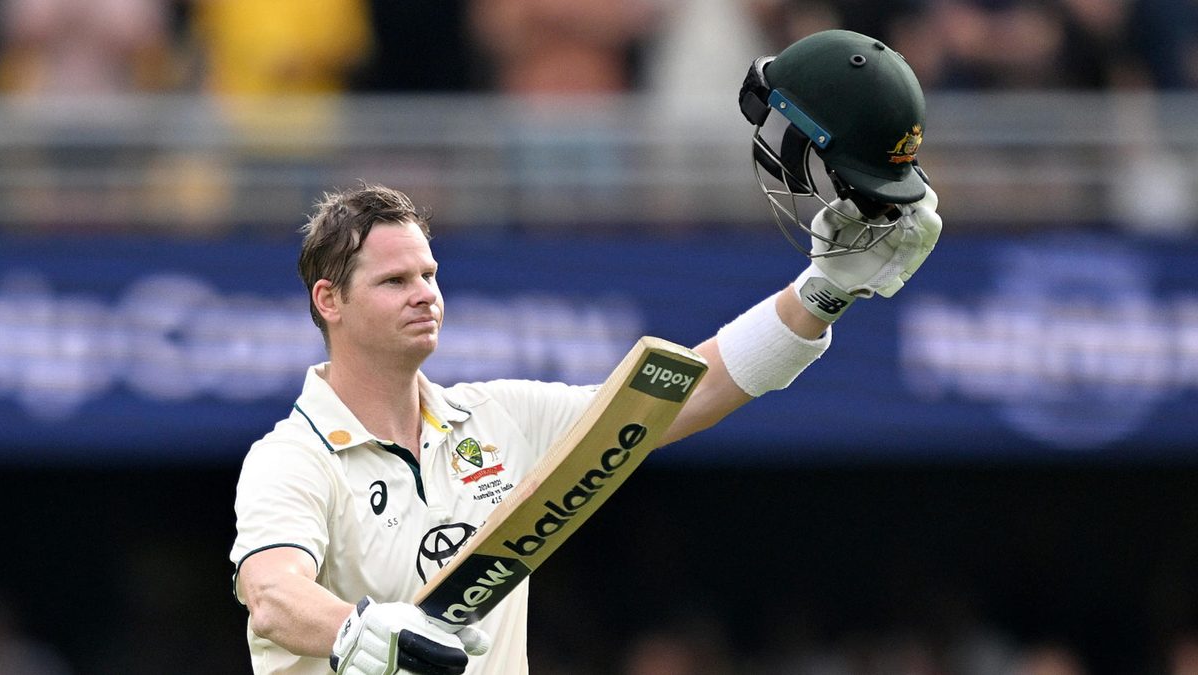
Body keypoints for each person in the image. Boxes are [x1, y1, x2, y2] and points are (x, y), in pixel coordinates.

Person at [229, 29, 943, 675]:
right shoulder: (293, 456)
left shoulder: (495, 419)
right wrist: (358, 628)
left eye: (430, 275)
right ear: (330, 301)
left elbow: (686, 396)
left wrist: (822, 293)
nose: (425, 294)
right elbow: (272, 593)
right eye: (395, 281)